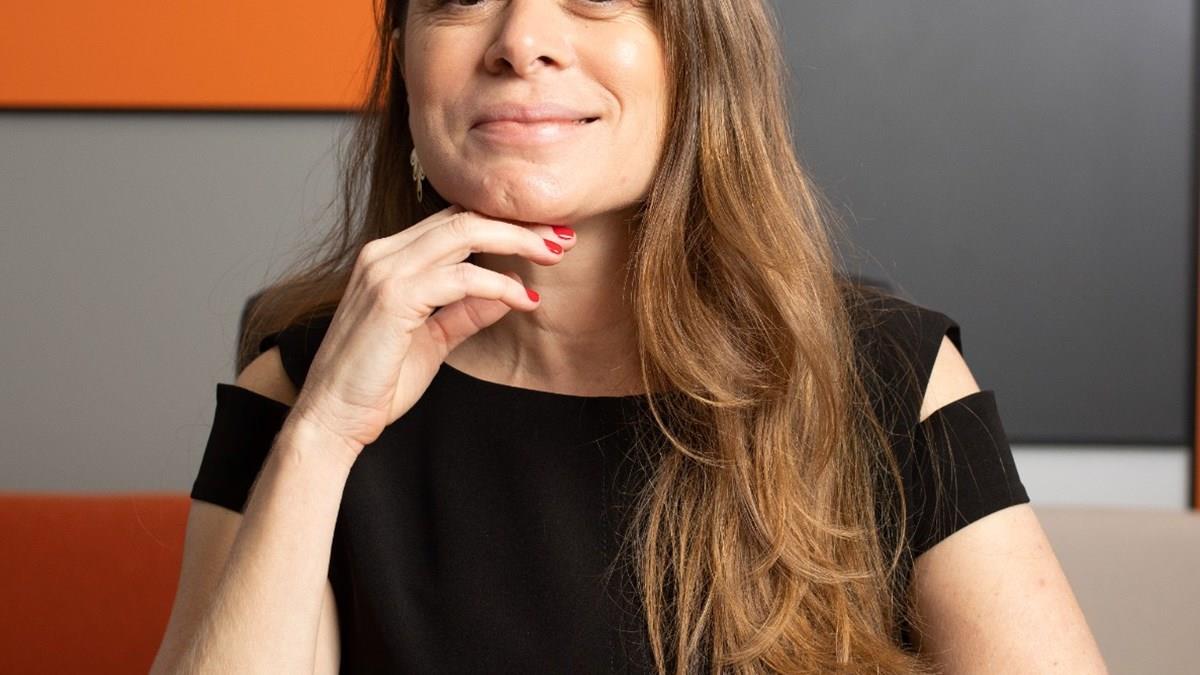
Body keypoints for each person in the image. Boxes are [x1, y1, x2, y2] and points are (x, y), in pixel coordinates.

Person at [152, 1, 1107, 673]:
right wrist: (323, 435)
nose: (521, 42)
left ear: (697, 54)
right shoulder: (301, 385)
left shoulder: (889, 373)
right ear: (405, 66)